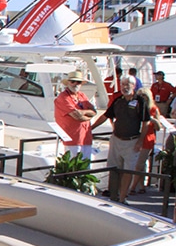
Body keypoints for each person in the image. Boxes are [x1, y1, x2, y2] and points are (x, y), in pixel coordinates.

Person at [90, 76, 152, 204]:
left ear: (133, 86)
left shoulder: (140, 101)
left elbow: (146, 122)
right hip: (116, 139)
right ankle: (114, 195)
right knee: (113, 168)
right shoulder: (118, 100)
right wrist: (91, 128)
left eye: (128, 84)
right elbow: (106, 115)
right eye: (123, 84)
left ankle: (123, 198)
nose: (125, 86)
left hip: (132, 141)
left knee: (127, 171)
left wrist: (140, 141)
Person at [53, 70, 97, 160]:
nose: (75, 84)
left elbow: (94, 112)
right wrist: (88, 115)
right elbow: (78, 117)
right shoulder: (63, 97)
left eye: (78, 82)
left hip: (86, 138)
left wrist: (83, 112)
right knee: (74, 168)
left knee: (85, 167)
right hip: (72, 139)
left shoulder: (82, 95)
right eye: (73, 81)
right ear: (68, 83)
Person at [129, 89, 162, 195]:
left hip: (147, 139)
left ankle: (133, 187)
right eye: (140, 95)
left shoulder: (153, 109)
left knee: (139, 164)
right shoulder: (135, 108)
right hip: (136, 137)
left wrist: (152, 119)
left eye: (144, 95)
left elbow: (158, 127)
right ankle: (142, 186)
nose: (142, 97)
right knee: (140, 165)